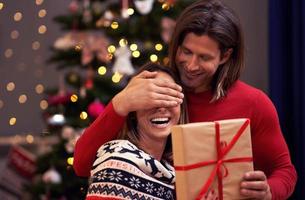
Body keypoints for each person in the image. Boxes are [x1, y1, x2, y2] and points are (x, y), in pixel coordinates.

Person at [74, 0, 297, 199]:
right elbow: (82, 165)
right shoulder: (154, 91)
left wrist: (269, 190)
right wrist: (120, 103)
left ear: (225, 56)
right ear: (176, 45)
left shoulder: (254, 103)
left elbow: (285, 170)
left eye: (204, 57)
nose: (191, 66)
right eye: (186, 52)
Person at [85, 63, 217, 200]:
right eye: (151, 98)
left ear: (181, 108)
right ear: (132, 111)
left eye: (169, 96)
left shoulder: (176, 174)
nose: (161, 107)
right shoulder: (118, 163)